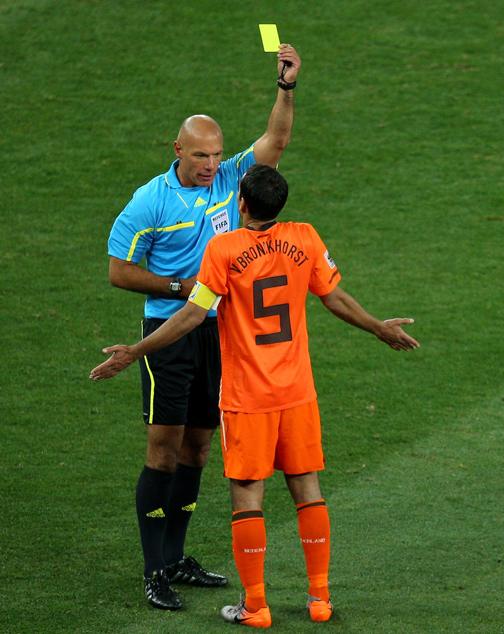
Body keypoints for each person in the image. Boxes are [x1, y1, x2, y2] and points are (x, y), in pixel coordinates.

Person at [91, 164, 420, 627]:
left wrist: (135, 351)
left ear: (241, 203)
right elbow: (335, 298)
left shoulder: (223, 249)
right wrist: (378, 328)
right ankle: (320, 599)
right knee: (307, 489)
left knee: (248, 496)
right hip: (298, 392)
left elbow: (190, 316)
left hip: (248, 398)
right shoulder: (305, 238)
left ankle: (256, 606)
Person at [104, 45, 303, 610]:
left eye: (217, 154)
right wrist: (178, 288)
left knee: (197, 448)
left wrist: (286, 87)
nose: (212, 165)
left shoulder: (230, 180)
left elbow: (277, 142)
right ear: (177, 151)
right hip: (169, 333)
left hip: (220, 336)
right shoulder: (150, 201)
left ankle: (177, 556)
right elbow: (118, 270)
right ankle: (153, 570)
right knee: (162, 449)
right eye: (200, 156)